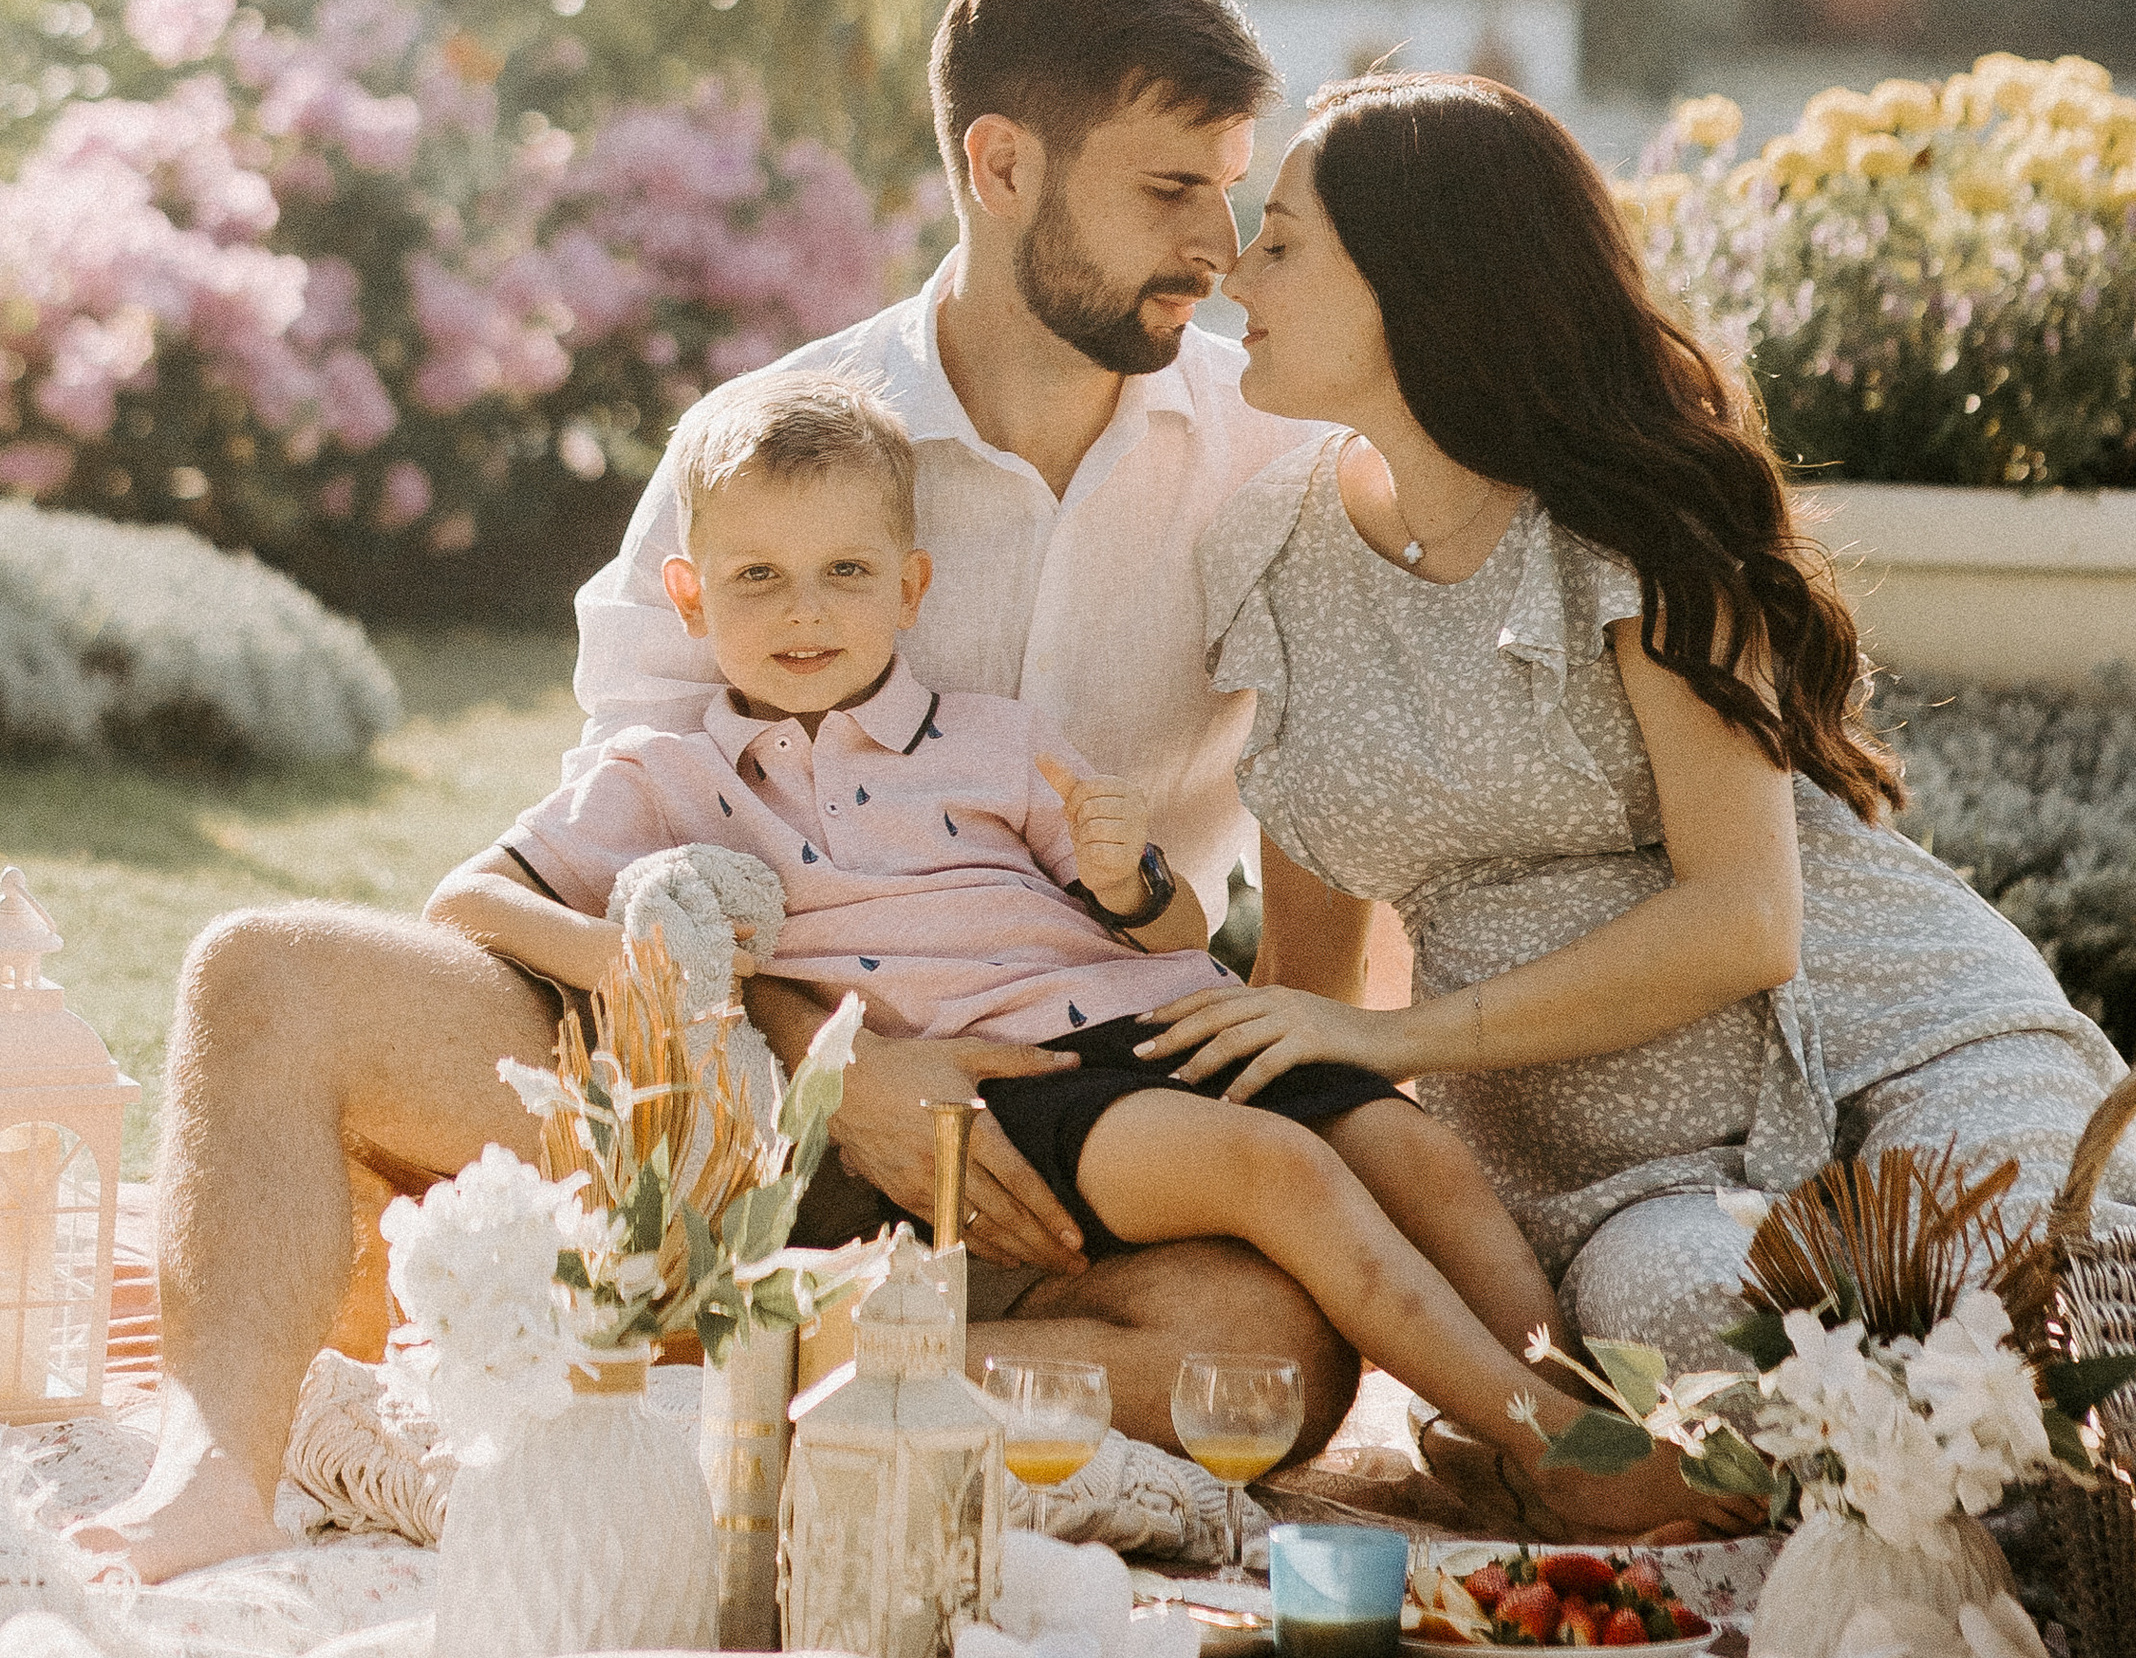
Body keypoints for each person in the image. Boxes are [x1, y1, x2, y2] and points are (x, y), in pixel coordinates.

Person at [74, 0, 1343, 1584]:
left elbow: (1325, 862)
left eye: (1230, 191)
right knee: (264, 975)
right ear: (1002, 165)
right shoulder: (770, 443)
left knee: (1273, 1354)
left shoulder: (1273, 457)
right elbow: (640, 817)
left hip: (1075, 1133)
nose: (1218, 246)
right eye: (1172, 190)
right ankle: (217, 1470)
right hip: (726, 1076)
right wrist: (834, 1076)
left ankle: (733, 1372)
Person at [1132, 72, 2136, 1394]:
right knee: (1686, 1327)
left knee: (2011, 1299)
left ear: (1421, 281)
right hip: (1617, 1178)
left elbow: (1746, 919)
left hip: (1901, 1039)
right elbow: (1315, 990)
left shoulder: (1637, 518)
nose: (1237, 277)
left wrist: (1401, 1041)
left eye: (1282, 244)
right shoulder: (1272, 554)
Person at [432, 369, 1637, 1499]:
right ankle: (1555, 1454)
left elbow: (1172, 924)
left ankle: (1569, 1424)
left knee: (1419, 1155)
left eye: (846, 571)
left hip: (1167, 1016)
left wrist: (1128, 878)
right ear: (689, 596)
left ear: (910, 587)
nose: (805, 611)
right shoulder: (664, 776)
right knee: (1279, 1172)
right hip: (1023, 1078)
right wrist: (634, 964)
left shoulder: (996, 737)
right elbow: (466, 901)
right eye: (758, 577)